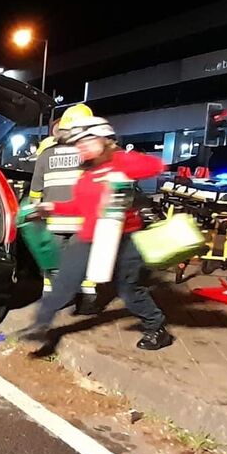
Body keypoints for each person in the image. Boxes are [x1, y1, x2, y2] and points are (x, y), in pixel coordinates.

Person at [21, 117, 172, 351]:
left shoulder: (118, 161)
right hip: (88, 237)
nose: (81, 147)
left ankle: (156, 327)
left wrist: (120, 162)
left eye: (86, 141)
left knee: (128, 289)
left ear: (105, 139)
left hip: (122, 239)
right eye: (78, 143)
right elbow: (81, 206)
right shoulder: (88, 172)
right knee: (63, 282)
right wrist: (50, 208)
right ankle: (40, 327)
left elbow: (156, 166)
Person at [29, 103, 99, 313]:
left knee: (52, 262)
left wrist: (35, 215)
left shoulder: (46, 155)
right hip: (85, 222)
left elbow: (35, 194)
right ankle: (87, 303)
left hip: (54, 221)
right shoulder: (92, 155)